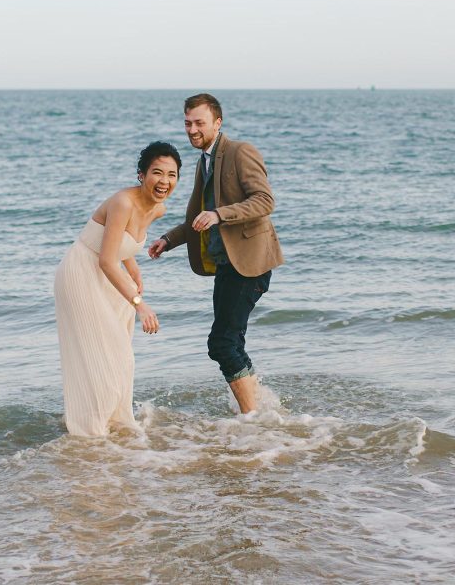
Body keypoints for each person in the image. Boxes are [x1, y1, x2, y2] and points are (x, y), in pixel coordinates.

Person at [148, 94, 284, 414]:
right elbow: (199, 215)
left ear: (217, 123)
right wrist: (169, 240)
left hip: (249, 263)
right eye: (187, 123)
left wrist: (221, 214)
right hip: (225, 264)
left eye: (199, 123)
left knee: (221, 343)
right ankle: (261, 408)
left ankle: (251, 418)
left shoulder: (240, 152)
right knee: (229, 341)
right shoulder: (204, 161)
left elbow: (265, 201)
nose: (192, 129)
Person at [55, 141, 181, 437]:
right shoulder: (123, 202)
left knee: (120, 355)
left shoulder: (158, 210)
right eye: (157, 173)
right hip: (82, 273)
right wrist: (140, 304)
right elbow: (107, 260)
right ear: (141, 175)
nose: (164, 181)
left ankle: (109, 425)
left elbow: (122, 246)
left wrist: (135, 272)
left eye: (172, 175)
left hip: (108, 276)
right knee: (104, 356)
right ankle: (89, 433)